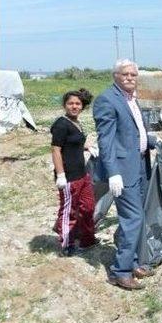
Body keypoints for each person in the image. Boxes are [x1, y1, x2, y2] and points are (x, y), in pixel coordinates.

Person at [93, 58, 158, 290]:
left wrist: (149, 141)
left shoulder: (131, 99)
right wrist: (113, 173)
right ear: (115, 76)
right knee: (133, 218)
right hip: (123, 170)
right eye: (125, 74)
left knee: (139, 215)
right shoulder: (106, 100)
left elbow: (131, 132)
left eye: (133, 74)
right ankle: (120, 271)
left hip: (139, 165)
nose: (130, 78)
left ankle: (133, 261)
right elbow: (106, 140)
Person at [51, 89, 99, 257]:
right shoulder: (61, 124)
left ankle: (87, 239)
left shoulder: (77, 122)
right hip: (69, 176)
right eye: (70, 103)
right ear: (65, 105)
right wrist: (61, 175)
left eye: (77, 103)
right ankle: (67, 244)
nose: (74, 106)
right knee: (69, 211)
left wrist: (87, 147)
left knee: (88, 207)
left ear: (82, 106)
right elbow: (56, 150)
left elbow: (73, 143)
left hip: (82, 174)